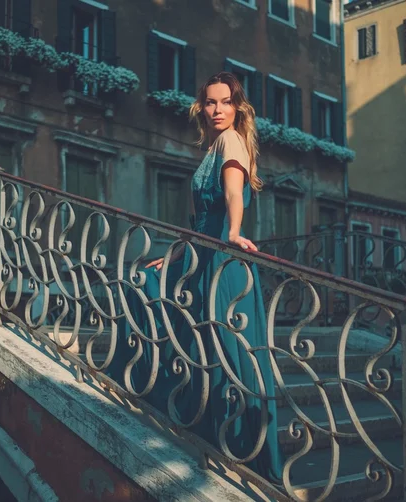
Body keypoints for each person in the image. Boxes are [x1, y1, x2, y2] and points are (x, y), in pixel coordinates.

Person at [108, 72, 283, 482]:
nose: (218, 109)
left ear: (238, 107)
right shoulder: (213, 146)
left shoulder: (231, 141)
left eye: (225, 102)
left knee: (222, 350)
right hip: (204, 254)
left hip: (223, 261)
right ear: (201, 107)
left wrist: (235, 233)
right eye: (210, 102)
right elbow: (201, 222)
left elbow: (233, 195)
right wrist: (172, 257)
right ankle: (207, 432)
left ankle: (232, 446)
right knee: (162, 301)